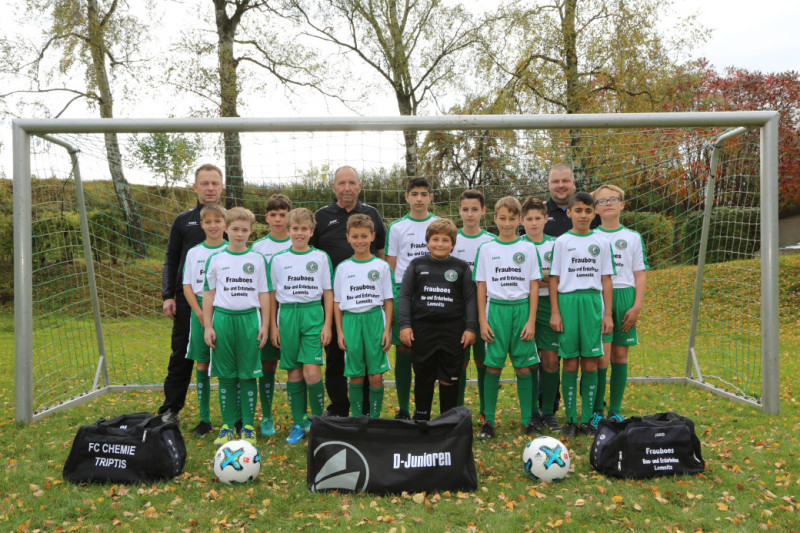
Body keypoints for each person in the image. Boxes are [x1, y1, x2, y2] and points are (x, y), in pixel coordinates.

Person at [311, 166, 386, 417]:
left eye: (352, 183)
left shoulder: (371, 214)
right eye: (341, 183)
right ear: (333, 187)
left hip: (365, 302)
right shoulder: (321, 216)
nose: (347, 188)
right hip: (333, 300)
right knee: (335, 354)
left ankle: (365, 410)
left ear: (359, 187)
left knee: (365, 356)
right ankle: (339, 408)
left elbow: (380, 251)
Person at [158, 163, 224, 431]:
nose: (210, 188)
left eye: (214, 183)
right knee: (182, 355)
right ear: (195, 187)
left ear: (222, 186)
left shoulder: (229, 220)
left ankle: (234, 415)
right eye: (204, 183)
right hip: (189, 300)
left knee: (227, 354)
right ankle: (171, 409)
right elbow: (171, 259)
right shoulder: (183, 221)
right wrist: (168, 295)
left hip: (225, 302)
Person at [474, 197, 542, 440]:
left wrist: (531, 320)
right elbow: (481, 287)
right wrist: (482, 321)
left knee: (523, 367)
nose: (507, 223)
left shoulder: (528, 248)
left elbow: (534, 286)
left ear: (519, 220)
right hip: (496, 311)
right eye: (502, 218)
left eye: (512, 218)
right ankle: (489, 421)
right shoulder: (486, 249)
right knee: (493, 366)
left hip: (521, 309)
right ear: (494, 219)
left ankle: (527, 421)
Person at [548, 192, 615, 438]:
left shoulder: (602, 242)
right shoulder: (561, 242)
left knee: (590, 361)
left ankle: (587, 419)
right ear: (569, 213)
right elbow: (553, 279)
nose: (583, 215)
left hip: (592, 302)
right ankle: (570, 420)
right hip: (567, 302)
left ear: (594, 213)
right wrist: (555, 312)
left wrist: (608, 315)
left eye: (588, 211)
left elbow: (606, 279)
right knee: (569, 362)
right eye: (578, 210)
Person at [398, 218, 478, 420]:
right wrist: (405, 325)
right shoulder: (416, 265)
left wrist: (470, 327)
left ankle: (446, 421)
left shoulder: (461, 268)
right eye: (435, 239)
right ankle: (421, 419)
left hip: (452, 331)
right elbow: (405, 296)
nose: (440, 244)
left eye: (445, 240)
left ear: (453, 244)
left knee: (449, 377)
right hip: (423, 330)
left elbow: (470, 299)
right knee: (423, 376)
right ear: (427, 242)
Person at [203, 207, 270, 446]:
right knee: (226, 376)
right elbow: (209, 294)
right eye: (235, 229)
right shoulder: (216, 259)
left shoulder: (258, 259)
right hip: (223, 320)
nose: (240, 234)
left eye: (244, 230)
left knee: (248, 374)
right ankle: (227, 426)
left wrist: (265, 325)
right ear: (225, 229)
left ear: (251, 231)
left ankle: (248, 426)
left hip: (249, 320)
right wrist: (208, 326)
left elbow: (264, 294)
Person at [269, 208, 333, 444]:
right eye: (295, 228)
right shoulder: (278, 259)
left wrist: (327, 324)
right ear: (288, 230)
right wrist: (273, 326)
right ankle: (299, 422)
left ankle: (318, 422)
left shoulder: (320, 257)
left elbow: (328, 292)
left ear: (311, 231)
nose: (299, 233)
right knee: (294, 371)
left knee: (312, 372)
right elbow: (272, 295)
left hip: (312, 313)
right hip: (287, 315)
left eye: (304, 229)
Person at [591, 185, 648, 423]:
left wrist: (636, 306)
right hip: (599, 297)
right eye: (602, 201)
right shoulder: (591, 237)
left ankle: (614, 410)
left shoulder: (632, 237)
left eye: (613, 199)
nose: (608, 204)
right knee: (601, 357)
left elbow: (640, 274)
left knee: (620, 356)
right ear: (595, 209)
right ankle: (596, 409)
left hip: (625, 296)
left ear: (622, 205)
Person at [385, 177, 438, 420]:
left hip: (432, 291)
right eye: (414, 194)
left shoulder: (438, 224)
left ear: (430, 197)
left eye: (423, 194)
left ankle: (424, 408)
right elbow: (391, 265)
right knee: (404, 347)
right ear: (406, 197)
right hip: (403, 293)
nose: (419, 198)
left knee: (427, 349)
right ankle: (403, 408)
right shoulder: (396, 227)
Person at [332, 214, 394, 418]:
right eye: (355, 236)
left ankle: (375, 419)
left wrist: (387, 330)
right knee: (356, 375)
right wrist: (340, 331)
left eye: (364, 236)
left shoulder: (381, 266)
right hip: (351, 321)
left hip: (374, 319)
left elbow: (388, 300)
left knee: (375, 375)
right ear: (348, 238)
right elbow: (337, 303)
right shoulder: (342, 268)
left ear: (372, 237)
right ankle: (357, 419)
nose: (360, 241)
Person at [181, 203, 227, 436]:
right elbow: (187, 285)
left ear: (225, 224)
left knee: (228, 366)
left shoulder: (232, 249)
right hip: (199, 309)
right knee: (202, 363)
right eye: (208, 222)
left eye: (217, 221)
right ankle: (205, 419)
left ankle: (233, 418)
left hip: (225, 309)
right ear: (201, 225)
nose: (213, 226)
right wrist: (200, 313)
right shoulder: (194, 252)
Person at [251, 194, 293, 436]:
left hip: (291, 314)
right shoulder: (258, 248)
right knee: (267, 364)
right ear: (266, 218)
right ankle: (267, 415)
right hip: (266, 315)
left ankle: (300, 416)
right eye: (273, 215)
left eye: (283, 214)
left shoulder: (298, 242)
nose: (278, 219)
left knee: (296, 366)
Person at [451, 189, 495, 416]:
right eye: (465, 209)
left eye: (475, 209)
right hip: (456, 309)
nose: (470, 214)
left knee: (483, 361)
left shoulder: (491, 241)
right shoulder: (452, 239)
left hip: (483, 309)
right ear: (459, 210)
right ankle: (457, 410)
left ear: (483, 211)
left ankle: (486, 411)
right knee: (459, 360)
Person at [520, 197, 561, 433]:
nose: (534, 223)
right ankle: (532, 412)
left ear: (546, 219)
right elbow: (521, 277)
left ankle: (548, 412)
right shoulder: (517, 244)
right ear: (521, 220)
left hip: (550, 304)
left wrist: (536, 275)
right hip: (523, 305)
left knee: (551, 359)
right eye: (529, 219)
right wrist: (546, 275)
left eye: (538, 218)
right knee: (529, 360)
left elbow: (560, 275)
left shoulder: (556, 244)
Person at [543, 163, 599, 237]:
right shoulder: (539, 211)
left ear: (573, 183)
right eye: (555, 181)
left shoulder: (593, 211)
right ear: (549, 184)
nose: (561, 185)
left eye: (565, 181)